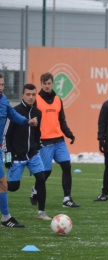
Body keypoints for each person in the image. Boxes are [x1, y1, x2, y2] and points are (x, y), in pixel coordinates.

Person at [29, 73, 80, 208]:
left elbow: (61, 120)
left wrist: (69, 134)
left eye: (49, 83)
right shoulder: (36, 100)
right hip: (44, 142)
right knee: (46, 172)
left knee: (67, 166)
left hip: (59, 140)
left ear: (53, 83)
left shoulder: (58, 99)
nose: (47, 85)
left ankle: (67, 199)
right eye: (44, 83)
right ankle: (35, 190)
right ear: (41, 84)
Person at [3, 84, 51, 220]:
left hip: (33, 154)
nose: (31, 97)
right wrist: (7, 156)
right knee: (13, 187)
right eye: (28, 94)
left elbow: (37, 133)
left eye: (33, 94)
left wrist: (38, 145)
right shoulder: (13, 112)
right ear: (22, 96)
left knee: (41, 179)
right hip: (17, 155)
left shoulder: (38, 113)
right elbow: (6, 135)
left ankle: (41, 213)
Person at [0, 74, 38, 227]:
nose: (1, 87)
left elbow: (12, 114)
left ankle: (6, 218)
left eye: (2, 84)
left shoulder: (3, 100)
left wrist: (26, 121)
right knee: (3, 184)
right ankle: (6, 218)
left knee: (3, 184)